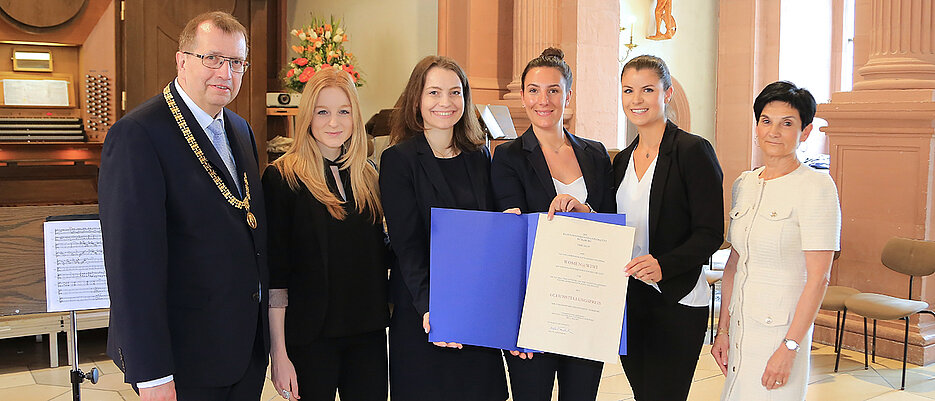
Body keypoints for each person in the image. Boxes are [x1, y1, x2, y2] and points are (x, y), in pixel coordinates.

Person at [99, 11, 268, 401]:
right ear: (182, 60)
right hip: (184, 356)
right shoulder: (138, 135)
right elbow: (131, 266)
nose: (225, 74)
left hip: (242, 349)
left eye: (236, 63)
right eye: (213, 59)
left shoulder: (240, 129)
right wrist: (153, 372)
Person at [379, 55, 508, 401]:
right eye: (434, 92)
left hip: (476, 309)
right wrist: (431, 308)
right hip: (427, 310)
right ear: (417, 100)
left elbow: (491, 232)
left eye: (455, 92)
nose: (445, 102)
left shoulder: (478, 155)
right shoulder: (399, 160)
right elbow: (407, 247)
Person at [490, 47, 614, 401]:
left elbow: (610, 223)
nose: (543, 100)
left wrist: (585, 211)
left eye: (553, 90)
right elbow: (510, 240)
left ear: (568, 95)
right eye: (533, 90)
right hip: (533, 307)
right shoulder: (507, 156)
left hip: (587, 302)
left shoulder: (595, 153)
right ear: (524, 95)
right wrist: (510, 321)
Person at [263, 68, 388, 401]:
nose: (334, 122)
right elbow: (276, 278)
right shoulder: (283, 178)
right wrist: (279, 354)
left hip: (368, 336)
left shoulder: (368, 176)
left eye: (343, 112)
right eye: (323, 112)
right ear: (308, 117)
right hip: (310, 339)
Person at [712, 81, 840, 400]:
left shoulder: (816, 188)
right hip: (741, 325)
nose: (774, 132)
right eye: (766, 121)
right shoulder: (745, 183)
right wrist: (723, 329)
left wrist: (790, 346)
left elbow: (819, 278)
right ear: (757, 126)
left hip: (779, 331)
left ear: (805, 132)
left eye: (787, 124)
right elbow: (734, 263)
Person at [614, 55, 723, 401]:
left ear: (667, 93)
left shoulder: (692, 151)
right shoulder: (620, 161)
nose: (637, 99)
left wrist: (663, 265)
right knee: (643, 393)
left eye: (647, 89)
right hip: (630, 299)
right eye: (629, 90)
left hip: (676, 295)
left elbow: (710, 232)